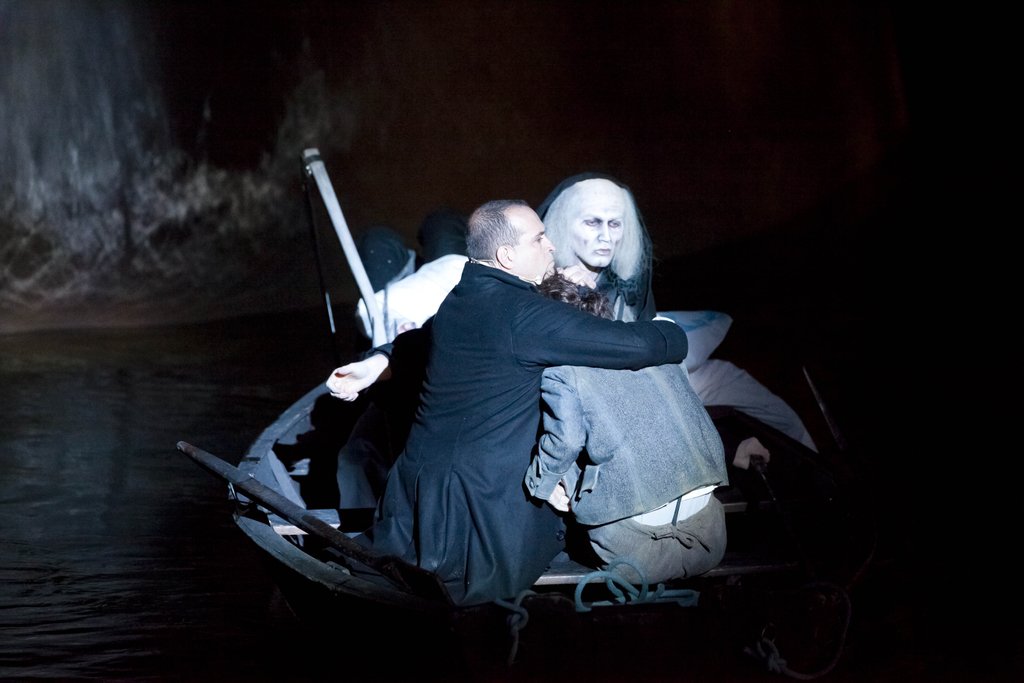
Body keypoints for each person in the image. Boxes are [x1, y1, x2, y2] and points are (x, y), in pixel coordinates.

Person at [328, 199, 688, 606]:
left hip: (413, 507)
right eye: (539, 238)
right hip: (482, 522)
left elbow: (419, 342)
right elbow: (637, 346)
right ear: (506, 256)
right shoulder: (527, 315)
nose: (551, 246)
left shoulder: (458, 300)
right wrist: (670, 330)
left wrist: (378, 360)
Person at [538, 172, 818, 451]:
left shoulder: (626, 281)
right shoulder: (545, 288)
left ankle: (816, 463)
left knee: (742, 388)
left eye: (615, 223)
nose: (606, 237)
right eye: (592, 222)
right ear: (564, 223)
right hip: (611, 404)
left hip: (653, 378)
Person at [525, 272, 731, 584]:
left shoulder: (562, 372)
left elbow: (565, 441)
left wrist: (540, 484)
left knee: (560, 456)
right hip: (709, 536)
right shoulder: (662, 354)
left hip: (632, 550)